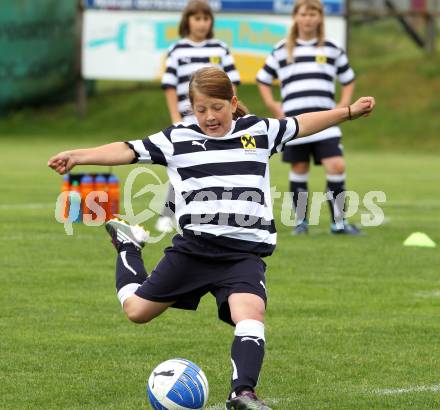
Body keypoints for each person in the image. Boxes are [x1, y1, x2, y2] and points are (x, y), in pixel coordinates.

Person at [48, 67, 375, 410]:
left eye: (216, 107)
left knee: (250, 313)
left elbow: (303, 122)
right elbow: (128, 149)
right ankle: (128, 246)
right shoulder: (177, 137)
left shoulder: (259, 131)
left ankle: (243, 393)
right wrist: (78, 155)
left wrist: (349, 112)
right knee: (137, 311)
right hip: (194, 250)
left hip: (243, 254)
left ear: (233, 103)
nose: (209, 116)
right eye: (200, 109)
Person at [257, 0, 359, 235]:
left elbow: (348, 78)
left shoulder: (332, 49)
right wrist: (273, 104)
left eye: (313, 13)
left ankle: (338, 223)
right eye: (304, 13)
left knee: (337, 165)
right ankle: (301, 222)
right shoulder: (282, 49)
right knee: (299, 168)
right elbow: (263, 79)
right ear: (296, 17)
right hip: (296, 124)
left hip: (327, 122)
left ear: (320, 18)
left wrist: (343, 105)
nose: (309, 18)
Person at [156, 0, 241, 234]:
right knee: (183, 166)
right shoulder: (177, 50)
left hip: (217, 121)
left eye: (206, 19)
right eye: (197, 18)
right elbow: (170, 86)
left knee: (218, 166)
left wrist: (231, 112)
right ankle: (168, 213)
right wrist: (176, 117)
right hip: (189, 121)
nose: (202, 24)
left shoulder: (220, 49)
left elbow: (231, 85)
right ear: (187, 21)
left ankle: (218, 213)